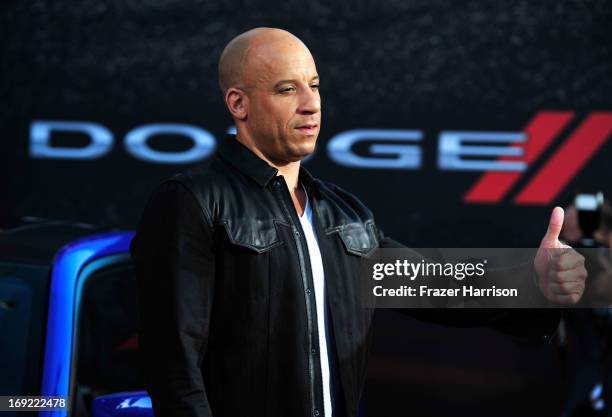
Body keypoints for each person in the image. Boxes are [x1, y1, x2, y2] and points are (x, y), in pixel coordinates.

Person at [130, 27, 587, 417]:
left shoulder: (342, 212)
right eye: (287, 89)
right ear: (238, 103)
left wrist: (532, 281)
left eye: (315, 85)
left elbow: (432, 285)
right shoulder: (191, 201)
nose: (311, 104)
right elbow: (173, 363)